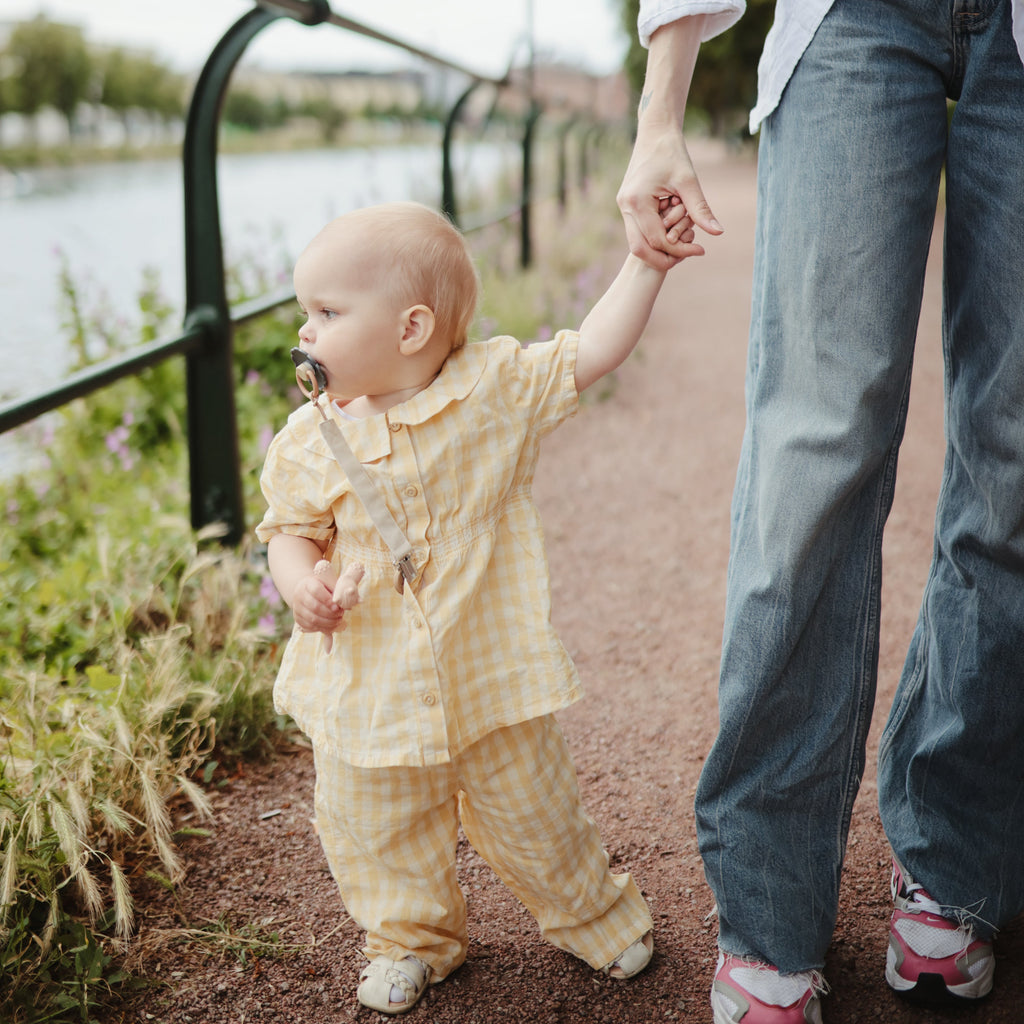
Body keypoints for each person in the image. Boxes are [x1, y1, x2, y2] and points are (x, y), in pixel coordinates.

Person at [618, 2, 1024, 1022]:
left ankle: (954, 860)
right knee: (814, 449)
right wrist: (660, 110)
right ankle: (767, 905)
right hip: (852, 20)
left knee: (1015, 463)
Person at [255, 200, 693, 1015]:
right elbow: (289, 532)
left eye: (326, 312)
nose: (306, 334)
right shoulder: (307, 442)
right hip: (370, 686)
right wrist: (300, 584)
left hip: (488, 676)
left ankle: (592, 914)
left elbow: (590, 351)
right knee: (378, 829)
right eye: (302, 315)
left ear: (412, 326)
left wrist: (647, 265)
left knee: (537, 812)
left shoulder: (490, 390)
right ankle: (409, 940)